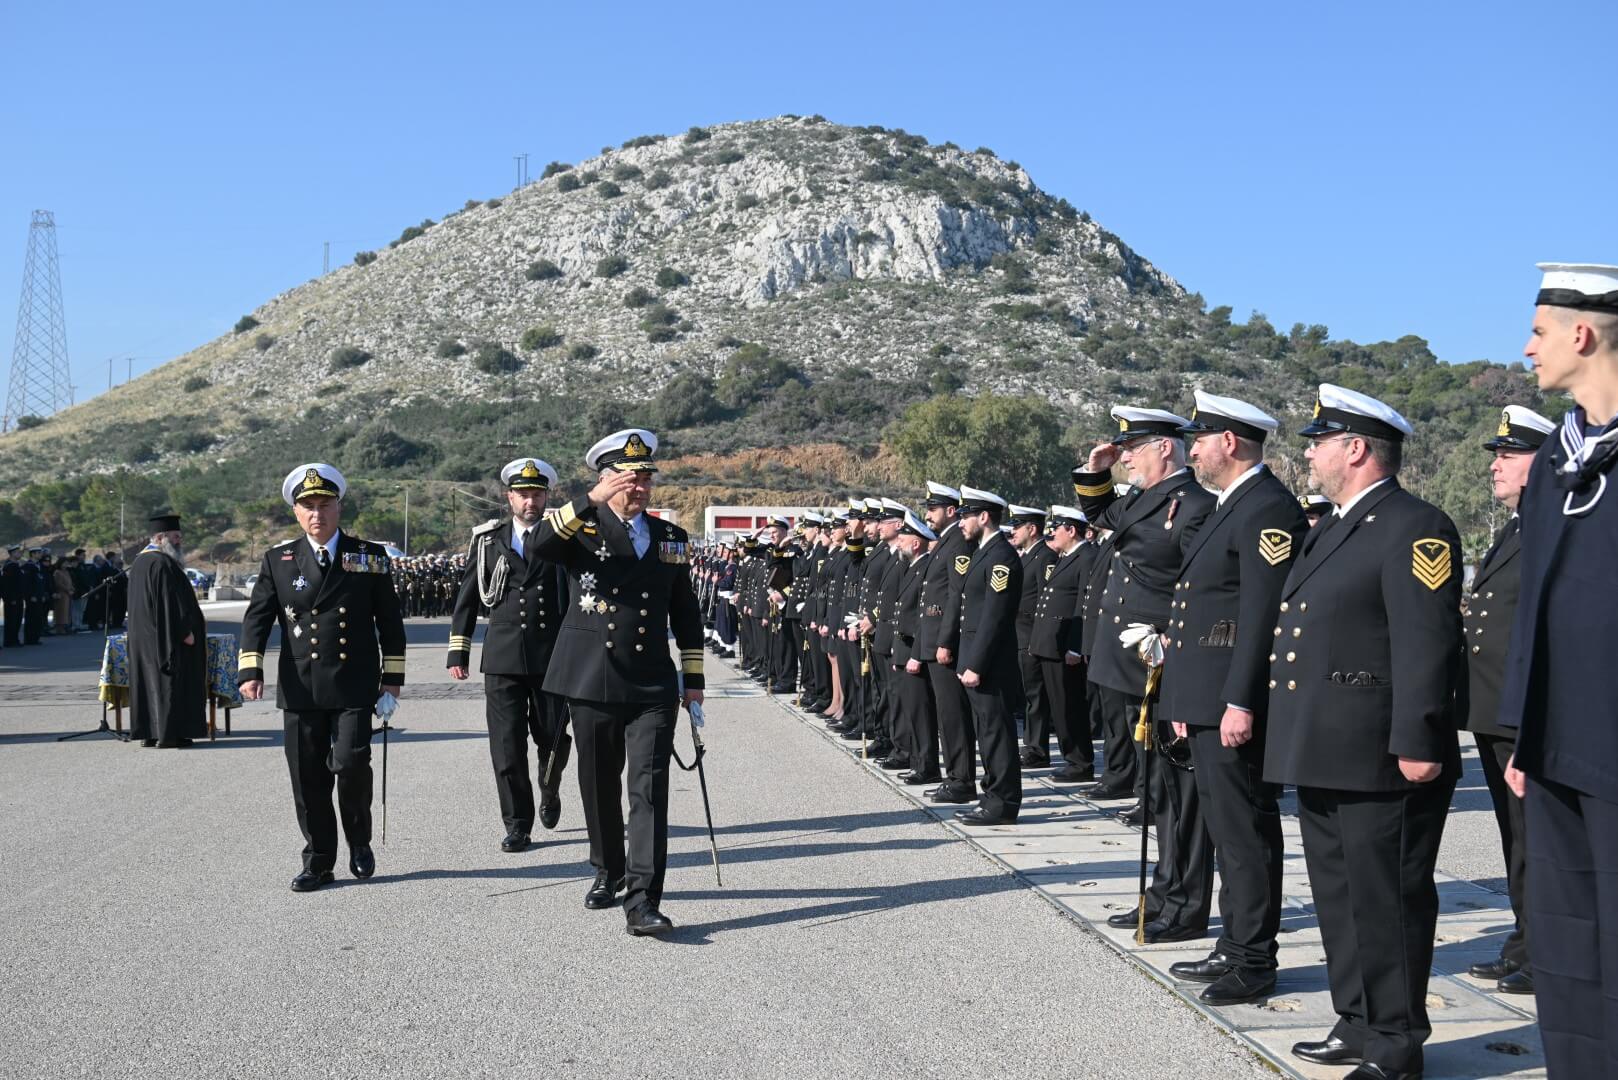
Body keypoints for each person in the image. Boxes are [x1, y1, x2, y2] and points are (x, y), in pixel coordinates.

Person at [1264, 384, 1462, 1079]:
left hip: (1381, 754)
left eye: (1320, 441)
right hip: (1326, 747)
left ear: (1356, 449)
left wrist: (1419, 738)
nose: (1310, 454)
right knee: (1341, 897)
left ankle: (1397, 1045)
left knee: (1389, 902)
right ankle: (1357, 1019)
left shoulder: (1416, 525)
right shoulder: (1337, 526)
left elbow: (1425, 642)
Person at [1498, 262, 1618, 1077]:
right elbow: (1530, 608)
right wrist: (1517, 730)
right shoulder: (1552, 464)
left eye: (1538, 332)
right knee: (1569, 948)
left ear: (1581, 334)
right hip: (1554, 741)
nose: (1528, 348)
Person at [1159, 392, 1307, 1006]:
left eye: (1201, 435)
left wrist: (1239, 701)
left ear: (1230, 441)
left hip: (1230, 703)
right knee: (1226, 830)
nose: (1190, 447)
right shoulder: (1231, 505)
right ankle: (1233, 942)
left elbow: (1260, 616)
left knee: (1246, 833)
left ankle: (1253, 960)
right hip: (1204, 699)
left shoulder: (1268, 508)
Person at [528, 428, 704, 936]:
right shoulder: (580, 530)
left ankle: (644, 899)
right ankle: (608, 868)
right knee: (599, 784)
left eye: (645, 477)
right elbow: (538, 546)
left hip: (651, 681)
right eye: (628, 477)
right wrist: (588, 502)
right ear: (605, 481)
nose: (640, 485)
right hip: (592, 679)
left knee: (649, 790)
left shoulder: (671, 539)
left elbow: (686, 613)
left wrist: (692, 679)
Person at [1075, 405, 1215, 941]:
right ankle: (1161, 893)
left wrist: (1179, 649)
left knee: (1182, 796)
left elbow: (1201, 589)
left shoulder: (1197, 505)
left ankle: (1186, 903)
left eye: (1134, 448)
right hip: (1135, 664)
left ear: (1166, 448)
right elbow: (1103, 517)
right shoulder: (1141, 499)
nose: (1126, 456)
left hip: (1166, 663)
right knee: (1157, 791)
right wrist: (1096, 472)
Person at [238, 463, 407, 893]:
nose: (318, 514)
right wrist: (250, 667)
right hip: (301, 685)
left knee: (351, 764)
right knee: (308, 778)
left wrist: (392, 679)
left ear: (339, 506)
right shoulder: (279, 560)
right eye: (308, 506)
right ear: (296, 511)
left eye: (325, 505)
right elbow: (258, 617)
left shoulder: (368, 555)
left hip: (353, 682)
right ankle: (318, 860)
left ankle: (359, 840)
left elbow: (389, 620)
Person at [1459, 405, 1555, 998]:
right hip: (1494, 712)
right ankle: (1526, 943)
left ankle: (1546, 953)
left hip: (1523, 716)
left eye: (1508, 455)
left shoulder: (1550, 528)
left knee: (1538, 841)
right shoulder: (1520, 526)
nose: (1495, 465)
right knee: (1517, 840)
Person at [448, 457, 572, 853]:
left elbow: (572, 597)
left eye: (537, 494)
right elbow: (468, 595)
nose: (530, 501)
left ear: (546, 496)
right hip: (502, 658)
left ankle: (549, 789)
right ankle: (518, 823)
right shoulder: (488, 540)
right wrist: (458, 649)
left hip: (551, 656)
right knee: (506, 744)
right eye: (523, 494)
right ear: (509, 497)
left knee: (551, 741)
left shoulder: (561, 538)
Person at [951, 486, 1024, 826]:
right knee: (987, 732)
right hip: (974, 659)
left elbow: (994, 617)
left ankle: (1002, 802)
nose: (961, 523)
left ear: (984, 517)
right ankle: (991, 795)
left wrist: (975, 665)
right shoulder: (983, 551)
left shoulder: (1001, 557)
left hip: (989, 664)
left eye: (966, 516)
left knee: (997, 733)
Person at [1028, 506, 1098, 783]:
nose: (1051, 533)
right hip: (1050, 643)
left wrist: (1076, 645)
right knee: (1060, 705)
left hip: (1065, 644)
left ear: (1071, 530)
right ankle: (1073, 759)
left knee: (1070, 705)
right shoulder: (1068, 556)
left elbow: (1084, 603)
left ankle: (1080, 762)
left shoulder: (1086, 556)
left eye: (1056, 528)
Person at [126, 513, 207, 749]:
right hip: (167, 640)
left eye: (180, 536)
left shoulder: (140, 563)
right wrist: (185, 632)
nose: (179, 541)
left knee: (149, 684)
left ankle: (150, 733)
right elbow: (170, 604)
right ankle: (171, 734)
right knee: (169, 685)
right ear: (160, 537)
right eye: (175, 537)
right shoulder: (161, 563)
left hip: (145, 638)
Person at [919, 482, 977, 805]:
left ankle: (962, 780)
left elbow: (956, 596)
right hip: (933, 640)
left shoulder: (957, 543)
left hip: (945, 643)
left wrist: (945, 641)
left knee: (954, 714)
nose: (928, 515)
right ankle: (954, 775)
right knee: (946, 714)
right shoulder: (946, 541)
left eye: (933, 509)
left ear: (950, 511)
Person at [891, 511, 940, 784]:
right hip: (904, 648)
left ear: (917, 543)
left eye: (904, 537)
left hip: (914, 651)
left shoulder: (925, 568)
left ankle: (927, 765)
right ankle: (917, 761)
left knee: (922, 712)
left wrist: (915, 655)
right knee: (911, 709)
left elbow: (923, 617)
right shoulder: (912, 567)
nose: (899, 542)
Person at [1008, 505, 1057, 767]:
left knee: (1035, 697)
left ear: (1032, 528)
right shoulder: (1025, 556)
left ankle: (1037, 749)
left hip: (1030, 637)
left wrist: (1037, 641)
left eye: (1018, 526)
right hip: (1019, 635)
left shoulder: (1045, 556)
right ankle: (1030, 744)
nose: (1013, 531)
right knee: (1027, 696)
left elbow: (1044, 602)